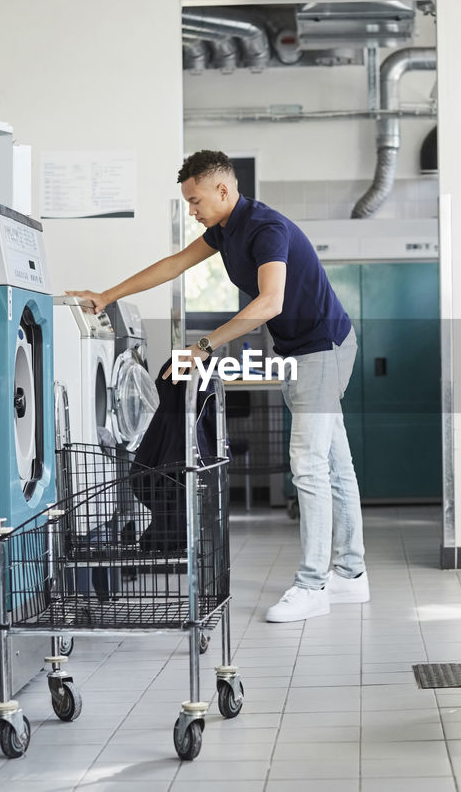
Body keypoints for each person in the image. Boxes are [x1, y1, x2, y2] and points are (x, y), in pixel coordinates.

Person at [67, 150, 368, 622]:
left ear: (223, 190)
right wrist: (107, 296)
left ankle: (314, 586)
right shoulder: (225, 231)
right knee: (334, 462)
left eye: (195, 199)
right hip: (303, 351)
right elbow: (172, 265)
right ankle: (351, 574)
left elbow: (270, 302)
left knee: (308, 465)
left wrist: (203, 346)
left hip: (322, 348)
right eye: (187, 202)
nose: (191, 209)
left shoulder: (266, 229)